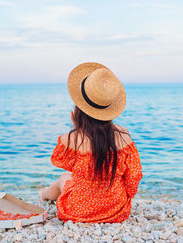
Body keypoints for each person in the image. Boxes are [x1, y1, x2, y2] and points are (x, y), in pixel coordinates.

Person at [39, 62, 143, 223]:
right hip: (116, 211)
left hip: (78, 211)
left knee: (65, 177)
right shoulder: (123, 135)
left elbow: (69, 166)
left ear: (78, 110)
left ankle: (44, 194)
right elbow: (133, 177)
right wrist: (125, 196)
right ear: (109, 109)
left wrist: (77, 128)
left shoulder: (70, 139)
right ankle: (45, 193)